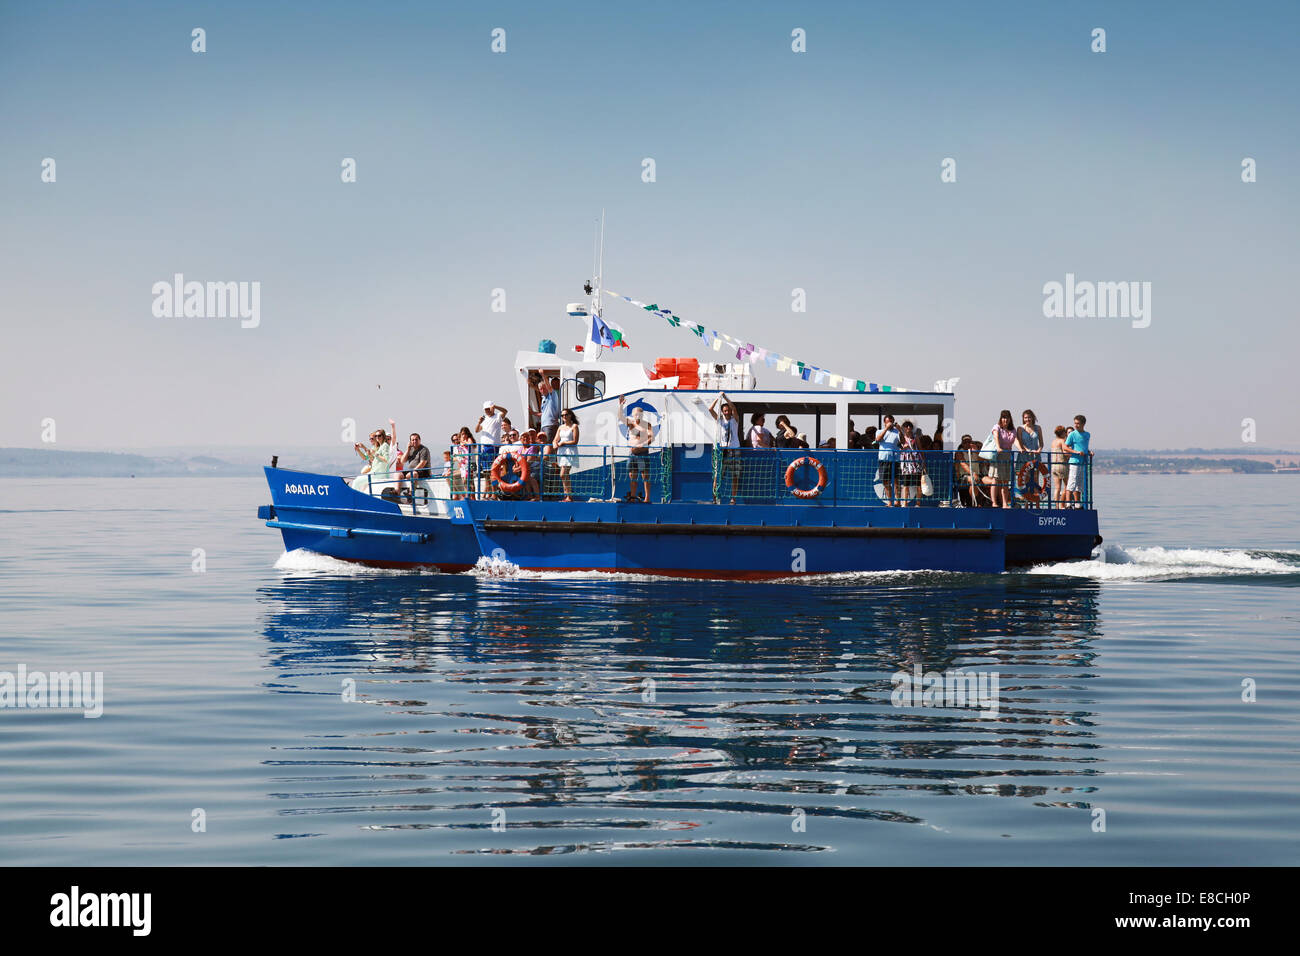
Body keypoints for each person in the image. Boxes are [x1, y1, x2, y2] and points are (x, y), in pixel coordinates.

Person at [618, 395, 655, 502]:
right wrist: (620, 406)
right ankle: (633, 497)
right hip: (632, 454)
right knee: (632, 476)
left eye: (639, 414)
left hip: (642, 454)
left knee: (645, 476)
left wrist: (643, 444)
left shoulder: (647, 425)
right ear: (633, 415)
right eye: (635, 414)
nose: (637, 416)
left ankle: (647, 498)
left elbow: (651, 437)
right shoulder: (631, 424)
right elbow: (621, 417)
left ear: (642, 415)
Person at [708, 391, 741, 504]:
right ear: (722, 412)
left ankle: (733, 498)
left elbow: (734, 408)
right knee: (718, 475)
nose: (727, 412)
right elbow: (710, 409)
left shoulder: (735, 419)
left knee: (735, 475)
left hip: (734, 449)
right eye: (725, 411)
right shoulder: (719, 420)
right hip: (722, 450)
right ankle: (715, 496)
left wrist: (725, 397)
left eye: (728, 410)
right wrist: (718, 398)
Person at [987, 409, 1024, 509]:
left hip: (1007, 456)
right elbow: (996, 437)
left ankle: (1004, 503)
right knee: (996, 479)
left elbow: (1015, 439)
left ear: (1010, 419)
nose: (1005, 420)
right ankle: (994, 502)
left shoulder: (1012, 429)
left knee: (1005, 481)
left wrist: (1020, 448)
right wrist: (999, 447)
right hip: (998, 455)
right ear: (1001, 418)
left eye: (1007, 417)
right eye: (1003, 417)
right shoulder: (997, 427)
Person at [475, 400, 507, 498]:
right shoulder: (485, 420)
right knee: (486, 473)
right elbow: (476, 430)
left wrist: (495, 406)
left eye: (488, 409)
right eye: (486, 409)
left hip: (492, 447)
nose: (487, 411)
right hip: (484, 447)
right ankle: (489, 492)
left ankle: (494, 493)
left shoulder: (497, 417)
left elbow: (505, 411)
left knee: (492, 471)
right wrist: (479, 422)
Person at [349, 426, 394, 494]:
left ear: (383, 436)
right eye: (376, 436)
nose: (377, 438)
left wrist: (374, 453)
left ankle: (353, 498)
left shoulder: (384, 446)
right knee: (358, 481)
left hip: (378, 473)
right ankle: (356, 497)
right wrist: (358, 450)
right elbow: (365, 457)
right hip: (375, 472)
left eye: (379, 436)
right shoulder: (379, 446)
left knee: (357, 481)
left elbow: (386, 459)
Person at [1016, 409, 1045, 504]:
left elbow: (1041, 443)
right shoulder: (1020, 428)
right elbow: (1020, 442)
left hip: (1035, 456)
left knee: (1035, 480)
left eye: (1029, 417)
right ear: (1023, 419)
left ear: (1033, 418)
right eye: (1025, 417)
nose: (1027, 419)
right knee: (1025, 480)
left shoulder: (1038, 428)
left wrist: (1039, 450)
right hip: (1024, 456)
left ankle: (1036, 503)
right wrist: (1027, 450)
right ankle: (1026, 503)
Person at [552, 408, 580, 502]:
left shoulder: (574, 426)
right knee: (565, 474)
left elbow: (575, 441)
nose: (564, 417)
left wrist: (563, 443)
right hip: (561, 453)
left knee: (563, 474)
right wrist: (555, 444)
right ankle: (567, 495)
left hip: (570, 452)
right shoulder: (560, 427)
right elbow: (555, 439)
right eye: (562, 415)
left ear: (570, 415)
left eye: (566, 415)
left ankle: (568, 495)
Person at [396, 431, 432, 502]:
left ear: (419, 440)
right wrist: (408, 449)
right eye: (413, 440)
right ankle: (397, 491)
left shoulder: (424, 450)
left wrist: (412, 472)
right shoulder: (411, 449)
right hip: (412, 470)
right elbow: (403, 461)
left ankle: (410, 494)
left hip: (423, 471)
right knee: (398, 474)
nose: (414, 441)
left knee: (414, 474)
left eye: (416, 439)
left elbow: (422, 463)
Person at [1065, 414, 1091, 507]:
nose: (1076, 425)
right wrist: (1075, 452)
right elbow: (1065, 447)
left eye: (1078, 423)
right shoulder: (1072, 434)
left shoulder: (1087, 434)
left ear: (1083, 424)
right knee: (1072, 482)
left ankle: (1077, 504)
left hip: (1083, 462)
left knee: (1080, 483)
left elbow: (1084, 447)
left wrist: (1089, 452)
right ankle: (1068, 503)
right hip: (1074, 461)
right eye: (1075, 423)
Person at [875, 414, 902, 505]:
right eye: (888, 421)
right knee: (885, 482)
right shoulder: (879, 431)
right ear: (884, 422)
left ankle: (898, 501)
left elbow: (902, 441)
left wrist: (900, 430)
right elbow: (878, 439)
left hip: (895, 460)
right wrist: (886, 429)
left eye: (891, 421)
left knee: (896, 481)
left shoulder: (897, 432)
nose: (890, 423)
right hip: (884, 460)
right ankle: (890, 502)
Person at [898, 420, 924, 505]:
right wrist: (902, 448)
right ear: (904, 428)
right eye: (906, 426)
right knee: (906, 484)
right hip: (906, 463)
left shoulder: (915, 437)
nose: (908, 427)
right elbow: (899, 448)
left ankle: (918, 503)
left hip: (916, 462)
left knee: (918, 484)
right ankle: (905, 503)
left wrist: (923, 462)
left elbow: (920, 449)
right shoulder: (901, 436)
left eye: (910, 426)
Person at [450, 427, 474, 499]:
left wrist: (462, 441)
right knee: (467, 482)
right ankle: (463, 496)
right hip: (462, 466)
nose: (456, 441)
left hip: (469, 464)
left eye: (457, 439)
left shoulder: (465, 442)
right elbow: (454, 459)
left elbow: (470, 445)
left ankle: (467, 496)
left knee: (467, 481)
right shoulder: (455, 448)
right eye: (454, 440)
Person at [1049, 425, 1069, 507]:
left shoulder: (1053, 442)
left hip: (1054, 466)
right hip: (1062, 465)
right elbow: (1065, 452)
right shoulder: (1062, 441)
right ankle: (1062, 504)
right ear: (1063, 433)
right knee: (1067, 486)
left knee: (1057, 488)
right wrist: (1071, 454)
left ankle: (1056, 506)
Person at [539, 377, 561, 444]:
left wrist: (542, 375)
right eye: (541, 389)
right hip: (544, 425)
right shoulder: (544, 399)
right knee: (544, 445)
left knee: (548, 445)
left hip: (550, 425)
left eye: (544, 388)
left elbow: (549, 388)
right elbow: (544, 413)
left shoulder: (553, 394)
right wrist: (533, 412)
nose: (542, 390)